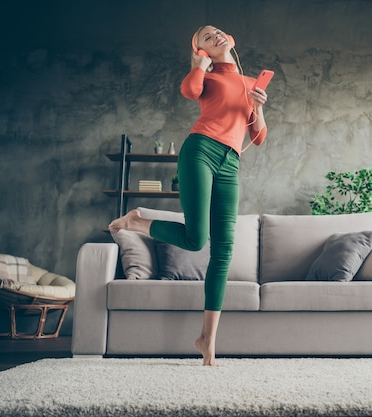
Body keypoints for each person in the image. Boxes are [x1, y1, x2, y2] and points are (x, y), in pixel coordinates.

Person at [109, 25, 268, 366]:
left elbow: (258, 136)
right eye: (207, 38)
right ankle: (138, 222)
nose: (217, 36)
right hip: (200, 151)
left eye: (218, 33)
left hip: (231, 162)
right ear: (202, 50)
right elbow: (188, 89)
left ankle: (207, 341)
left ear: (232, 39)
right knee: (196, 240)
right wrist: (199, 64)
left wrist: (259, 108)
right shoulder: (206, 76)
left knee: (223, 249)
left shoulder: (251, 83)